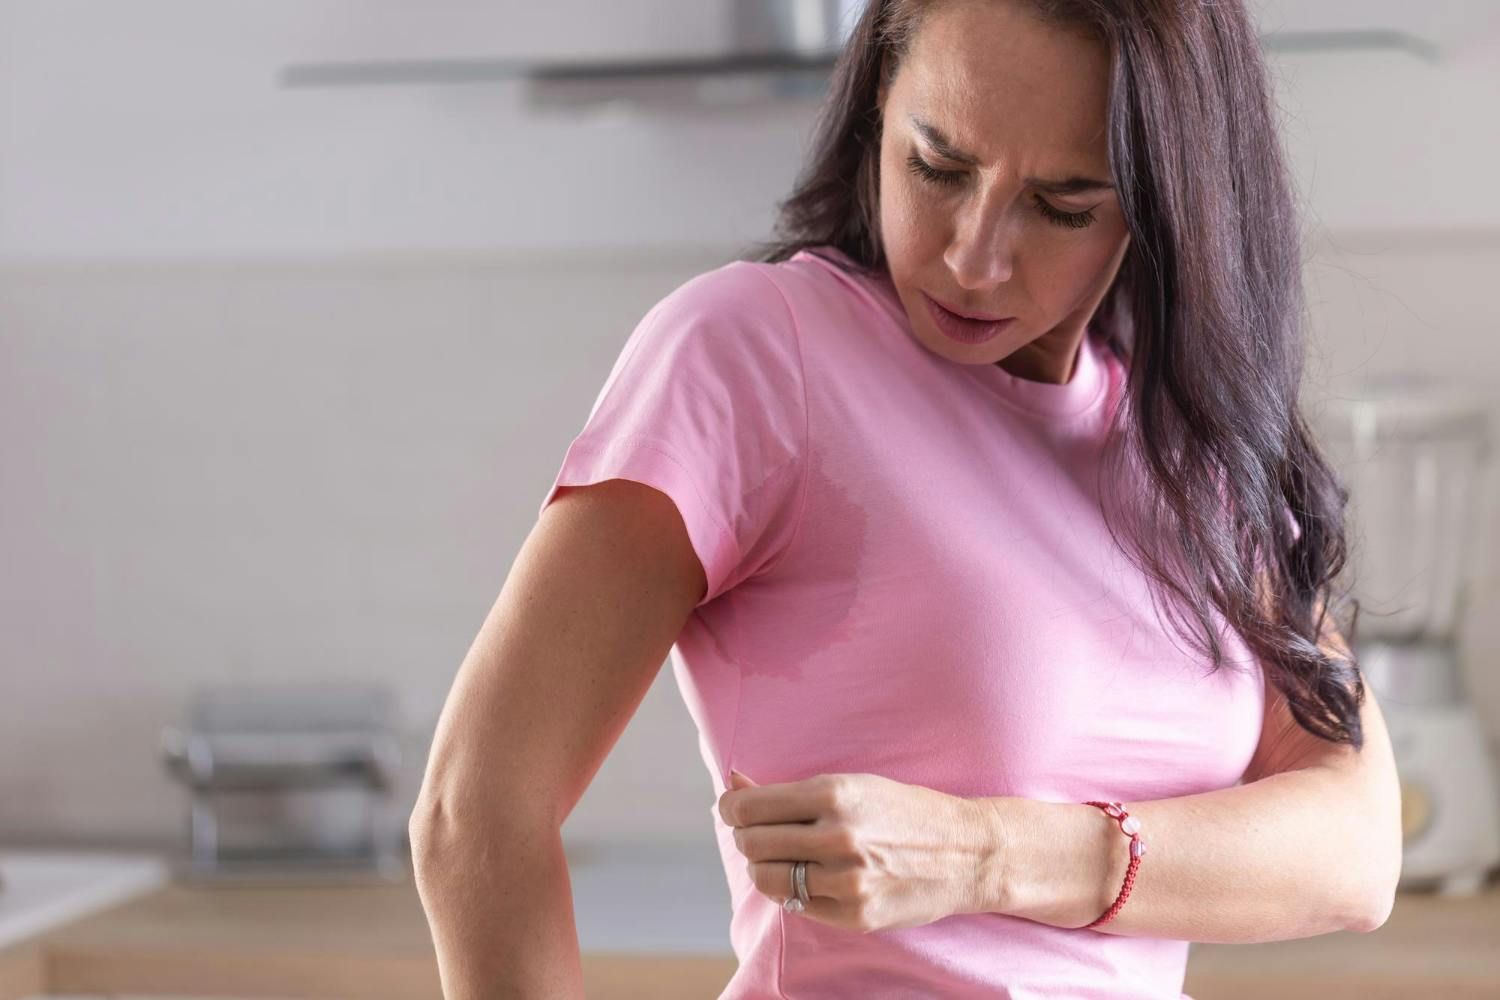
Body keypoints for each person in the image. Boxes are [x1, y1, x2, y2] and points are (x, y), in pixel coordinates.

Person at [409, 1, 1402, 998]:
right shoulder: (758, 353)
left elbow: (1355, 848)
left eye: (1063, 205)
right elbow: (475, 809)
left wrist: (987, 851)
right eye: (938, 167)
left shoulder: (1192, 459)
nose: (975, 255)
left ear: (1161, 205)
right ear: (877, 105)